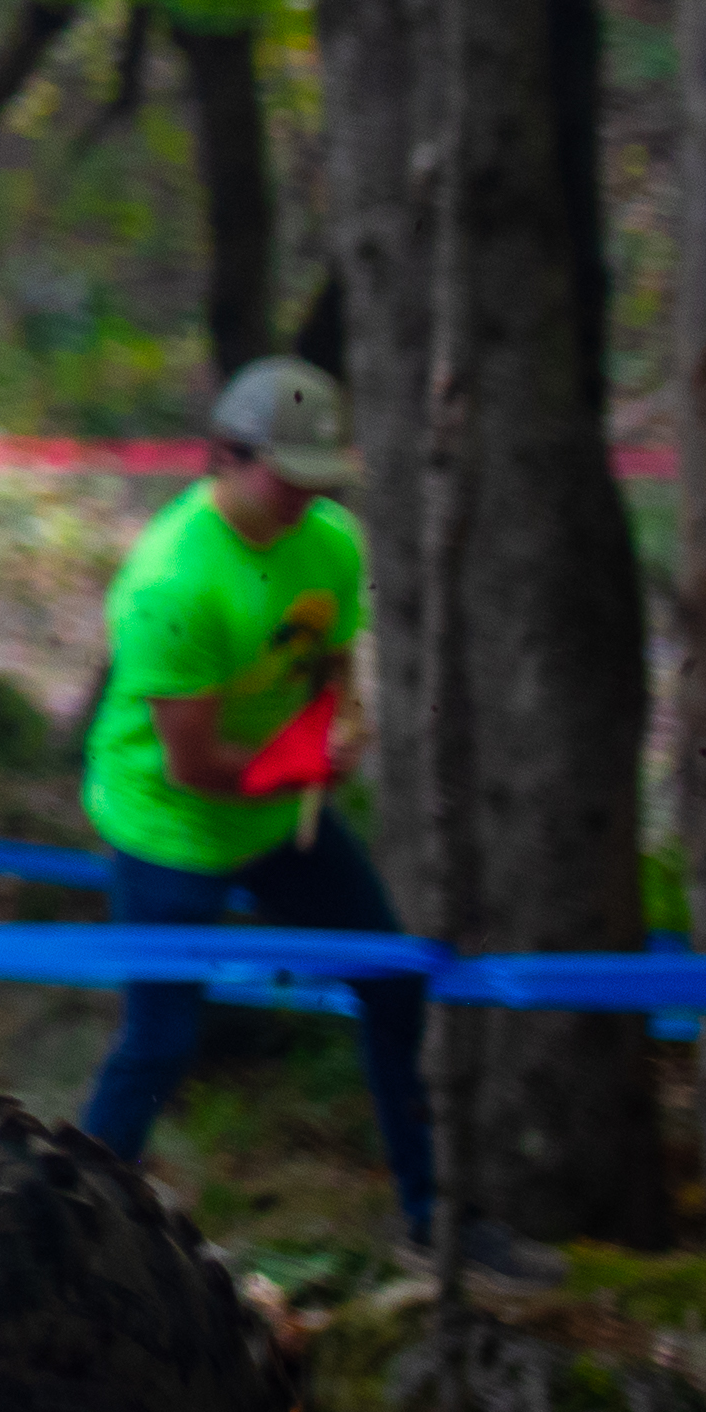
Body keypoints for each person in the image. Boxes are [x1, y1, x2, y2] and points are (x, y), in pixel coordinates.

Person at [76, 353, 439, 1248]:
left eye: (320, 478)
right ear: (227, 457)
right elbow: (194, 762)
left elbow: (333, 658)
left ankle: (435, 1223)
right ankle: (68, 1226)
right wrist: (297, 763)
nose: (304, 497)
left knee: (396, 987)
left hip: (282, 814)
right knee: (159, 1042)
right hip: (170, 824)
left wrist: (344, 726)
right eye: (288, 476)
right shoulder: (174, 582)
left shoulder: (331, 541)